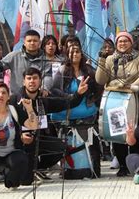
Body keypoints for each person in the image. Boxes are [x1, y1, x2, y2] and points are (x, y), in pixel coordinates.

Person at [9, 67, 85, 185]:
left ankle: (37, 167)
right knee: (26, 182)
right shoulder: (14, 100)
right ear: (24, 81)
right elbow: (9, 123)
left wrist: (79, 94)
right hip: (19, 142)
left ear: (40, 81)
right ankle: (19, 169)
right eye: (28, 78)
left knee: (61, 147)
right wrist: (20, 134)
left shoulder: (44, 99)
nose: (32, 81)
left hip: (39, 138)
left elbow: (68, 103)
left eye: (35, 78)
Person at [95, 31, 139, 177]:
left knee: (135, 135)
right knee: (118, 135)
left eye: (126, 41)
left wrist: (133, 86)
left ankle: (136, 164)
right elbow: (100, 80)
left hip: (135, 101)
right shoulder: (110, 59)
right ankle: (123, 165)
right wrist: (101, 60)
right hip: (115, 102)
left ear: (131, 43)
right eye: (120, 41)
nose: (123, 43)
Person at [51, 44, 104, 177]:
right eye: (71, 52)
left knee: (90, 141)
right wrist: (69, 97)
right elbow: (55, 89)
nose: (75, 54)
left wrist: (92, 99)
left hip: (87, 112)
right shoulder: (62, 70)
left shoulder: (89, 70)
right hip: (68, 112)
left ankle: (92, 169)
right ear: (67, 54)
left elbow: (99, 87)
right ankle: (69, 170)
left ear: (81, 54)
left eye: (77, 52)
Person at [0, 29, 52, 94]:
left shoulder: (45, 60)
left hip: (37, 96)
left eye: (35, 41)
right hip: (16, 98)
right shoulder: (13, 56)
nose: (32, 43)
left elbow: (48, 77)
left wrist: (44, 88)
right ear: (24, 42)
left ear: (39, 42)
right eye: (29, 41)